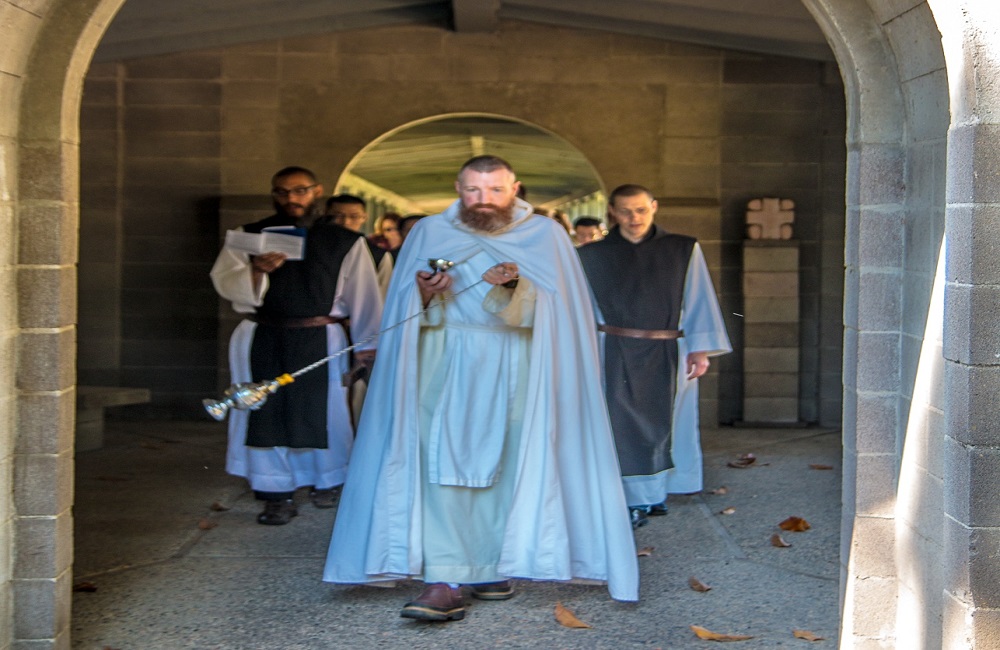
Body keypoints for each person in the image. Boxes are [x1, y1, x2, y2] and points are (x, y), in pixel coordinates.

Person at [323, 155, 638, 621]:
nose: (483, 200)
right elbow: (405, 307)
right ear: (458, 188)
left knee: (510, 465)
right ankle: (444, 579)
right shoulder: (430, 232)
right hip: (441, 364)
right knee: (439, 465)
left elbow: (560, 312)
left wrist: (513, 287)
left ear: (515, 188)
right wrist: (428, 291)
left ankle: (492, 565)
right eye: (473, 190)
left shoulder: (545, 235)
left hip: (518, 366)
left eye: (494, 190)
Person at [210, 167, 382, 525]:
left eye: (300, 190)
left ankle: (327, 480)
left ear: (316, 191)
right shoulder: (249, 235)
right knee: (263, 411)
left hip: (320, 336)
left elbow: (363, 294)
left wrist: (368, 343)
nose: (291, 198)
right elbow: (225, 282)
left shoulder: (344, 241)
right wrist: (256, 271)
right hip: (262, 334)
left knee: (323, 411)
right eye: (282, 192)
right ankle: (275, 492)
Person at [578, 184, 731, 529]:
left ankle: (659, 494)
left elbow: (698, 297)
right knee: (624, 426)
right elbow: (583, 309)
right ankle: (633, 500)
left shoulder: (682, 249)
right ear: (613, 213)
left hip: (670, 349)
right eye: (626, 211)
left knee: (669, 423)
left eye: (641, 210)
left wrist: (701, 347)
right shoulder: (590, 255)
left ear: (654, 207)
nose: (634, 218)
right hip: (613, 351)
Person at [326, 194, 394, 298]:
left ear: (364, 217)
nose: (346, 222)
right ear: (326, 215)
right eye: (338, 216)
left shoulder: (379, 256)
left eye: (354, 216)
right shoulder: (313, 249)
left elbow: (383, 298)